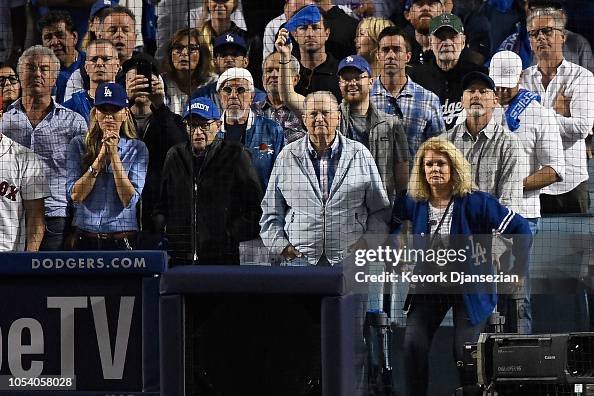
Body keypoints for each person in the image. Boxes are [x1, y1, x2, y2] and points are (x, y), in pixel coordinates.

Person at [391, 136, 531, 396]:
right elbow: (394, 219)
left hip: (471, 288)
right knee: (413, 344)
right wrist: (396, 249)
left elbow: (521, 229)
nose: (435, 169)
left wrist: (517, 271)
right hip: (430, 286)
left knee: (465, 353)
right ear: (421, 169)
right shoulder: (413, 200)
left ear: (454, 167)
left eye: (441, 164)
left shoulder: (477, 201)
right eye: (429, 164)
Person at [260, 91, 390, 266]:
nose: (319, 119)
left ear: (338, 117)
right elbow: (271, 211)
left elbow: (380, 210)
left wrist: (367, 244)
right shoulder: (287, 156)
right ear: (304, 120)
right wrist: (282, 247)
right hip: (299, 261)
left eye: (326, 113)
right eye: (313, 114)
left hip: (351, 260)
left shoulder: (360, 154)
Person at [155, 96, 263, 265]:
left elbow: (256, 207)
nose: (198, 132)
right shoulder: (174, 155)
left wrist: (228, 235)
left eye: (204, 125)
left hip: (223, 257)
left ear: (218, 126)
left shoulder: (235, 154)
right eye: (192, 125)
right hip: (181, 256)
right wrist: (170, 232)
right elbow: (162, 205)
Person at [0, 46, 87, 250]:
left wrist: (77, 225)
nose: (37, 74)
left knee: (51, 282)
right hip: (11, 217)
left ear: (55, 78)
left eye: (44, 69)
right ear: (20, 76)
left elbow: (84, 176)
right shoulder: (4, 121)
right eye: (30, 68)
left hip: (57, 218)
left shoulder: (74, 122)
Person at [521, 8, 594, 214]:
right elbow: (516, 127)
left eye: (547, 31)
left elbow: (581, 127)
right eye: (534, 34)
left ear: (562, 36)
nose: (541, 37)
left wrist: (537, 118)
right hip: (533, 185)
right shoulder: (521, 80)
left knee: (578, 246)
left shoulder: (583, 77)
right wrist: (557, 114)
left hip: (571, 183)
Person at [66, 82, 148, 250]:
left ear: (125, 113)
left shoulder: (137, 148)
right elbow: (75, 195)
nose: (109, 117)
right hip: (85, 238)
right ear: (96, 113)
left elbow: (129, 200)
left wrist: (114, 155)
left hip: (122, 240)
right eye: (104, 110)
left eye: (115, 110)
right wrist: (101, 156)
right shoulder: (78, 145)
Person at [122, 55, 188, 233]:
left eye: (147, 79)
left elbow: (182, 153)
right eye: (134, 80)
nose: (141, 84)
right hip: (121, 215)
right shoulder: (113, 119)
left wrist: (160, 106)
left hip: (159, 215)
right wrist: (123, 101)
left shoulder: (171, 120)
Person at [444, 71, 523, 212]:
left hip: (491, 229)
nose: (476, 95)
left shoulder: (509, 143)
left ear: (495, 101)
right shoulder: (445, 142)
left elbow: (510, 201)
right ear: (462, 100)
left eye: (483, 91)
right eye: (471, 91)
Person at [337, 54, 409, 202]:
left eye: (357, 78)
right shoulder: (331, 121)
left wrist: (401, 208)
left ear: (371, 82)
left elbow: (401, 169)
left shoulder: (391, 123)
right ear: (339, 84)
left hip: (381, 208)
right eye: (346, 79)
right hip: (342, 208)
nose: (352, 83)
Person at [370, 26, 445, 157]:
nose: (391, 56)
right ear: (378, 55)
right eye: (385, 50)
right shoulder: (365, 97)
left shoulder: (429, 100)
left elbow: (440, 150)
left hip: (414, 177)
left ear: (408, 56)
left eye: (397, 50)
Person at [408, 13, 488, 130]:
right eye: (441, 37)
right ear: (430, 42)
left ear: (463, 42)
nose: (447, 42)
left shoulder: (480, 76)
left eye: (453, 37)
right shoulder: (415, 78)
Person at [216, 67, 285, 189]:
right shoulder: (211, 132)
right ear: (220, 96)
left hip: (261, 206)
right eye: (227, 90)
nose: (233, 95)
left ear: (252, 96)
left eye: (240, 90)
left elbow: (283, 178)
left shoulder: (272, 130)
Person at [191, 33, 266, 112]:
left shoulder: (260, 98)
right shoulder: (200, 96)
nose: (229, 59)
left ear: (246, 61)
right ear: (214, 62)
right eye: (223, 55)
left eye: (235, 54)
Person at [197, 0, 263, 88]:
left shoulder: (251, 40)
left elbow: (256, 78)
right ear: (207, 3)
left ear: (234, 3)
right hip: (203, 94)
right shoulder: (196, 39)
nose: (220, 4)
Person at [282, 5, 342, 101]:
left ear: (327, 33)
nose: (310, 34)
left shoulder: (341, 72)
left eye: (315, 28)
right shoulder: (286, 72)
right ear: (295, 34)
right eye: (303, 28)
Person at [0, 131, 48, 251]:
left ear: (1, 113)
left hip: (7, 253)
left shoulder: (25, 156)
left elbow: (35, 213)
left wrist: (30, 255)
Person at [63, 39, 121, 125]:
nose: (99, 63)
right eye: (94, 59)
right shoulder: (69, 108)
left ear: (117, 66)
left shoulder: (127, 104)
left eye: (106, 59)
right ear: (86, 67)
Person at [161, 28, 216, 116]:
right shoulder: (161, 83)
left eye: (191, 49)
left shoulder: (213, 83)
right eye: (178, 47)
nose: (184, 53)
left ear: (202, 54)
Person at [38, 11, 86, 104]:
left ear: (74, 37)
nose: (55, 42)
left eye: (60, 35)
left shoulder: (91, 63)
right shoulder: (38, 73)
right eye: (48, 37)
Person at [259, 51, 307, 143]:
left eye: (280, 70)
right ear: (262, 78)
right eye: (269, 71)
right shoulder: (251, 111)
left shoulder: (307, 110)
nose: (273, 75)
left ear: (295, 79)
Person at [403, 0, 445, 65]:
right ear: (407, 14)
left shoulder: (455, 47)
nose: (425, 8)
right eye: (419, 4)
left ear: (443, 12)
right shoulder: (398, 46)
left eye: (431, 4)